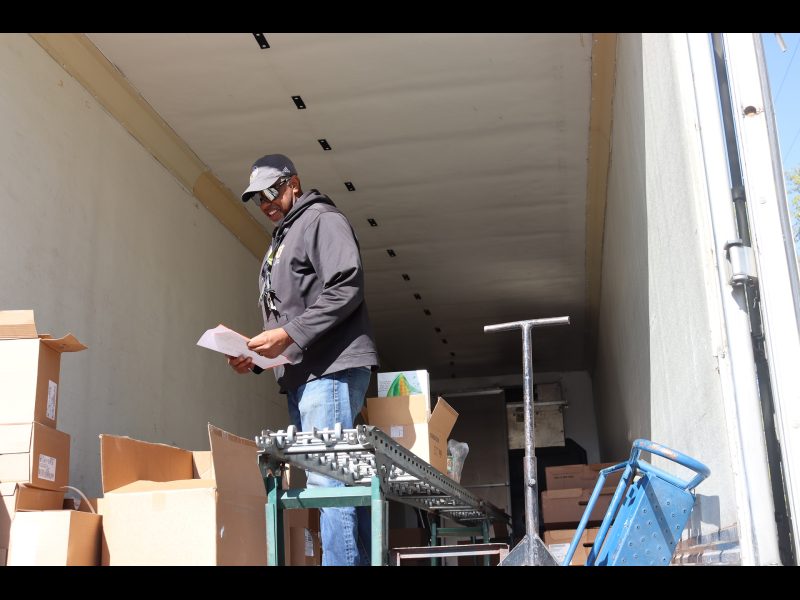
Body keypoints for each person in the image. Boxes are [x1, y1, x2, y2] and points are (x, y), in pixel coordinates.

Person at [227, 153, 379, 566]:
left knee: (327, 479)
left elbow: (347, 286)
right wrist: (256, 357)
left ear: (293, 183)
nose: (265, 204)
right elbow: (290, 314)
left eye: (271, 193)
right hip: (303, 374)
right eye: (258, 199)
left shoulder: (321, 219)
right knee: (337, 477)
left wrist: (288, 335)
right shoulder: (284, 235)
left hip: (329, 369)